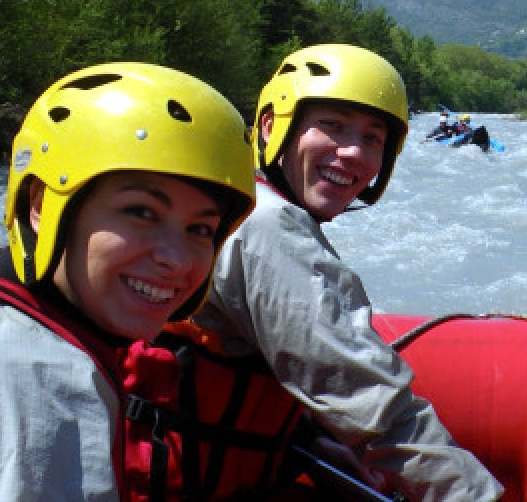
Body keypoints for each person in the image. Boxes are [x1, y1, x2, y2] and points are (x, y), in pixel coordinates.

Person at [0, 62, 257, 500]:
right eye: (141, 212)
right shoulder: (25, 384)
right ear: (40, 205)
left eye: (200, 229)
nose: (176, 260)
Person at [193, 43, 503, 502]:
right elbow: (371, 403)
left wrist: (315, 441)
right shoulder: (270, 228)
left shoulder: (241, 203)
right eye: (332, 127)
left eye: (373, 139)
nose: (354, 153)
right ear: (272, 126)